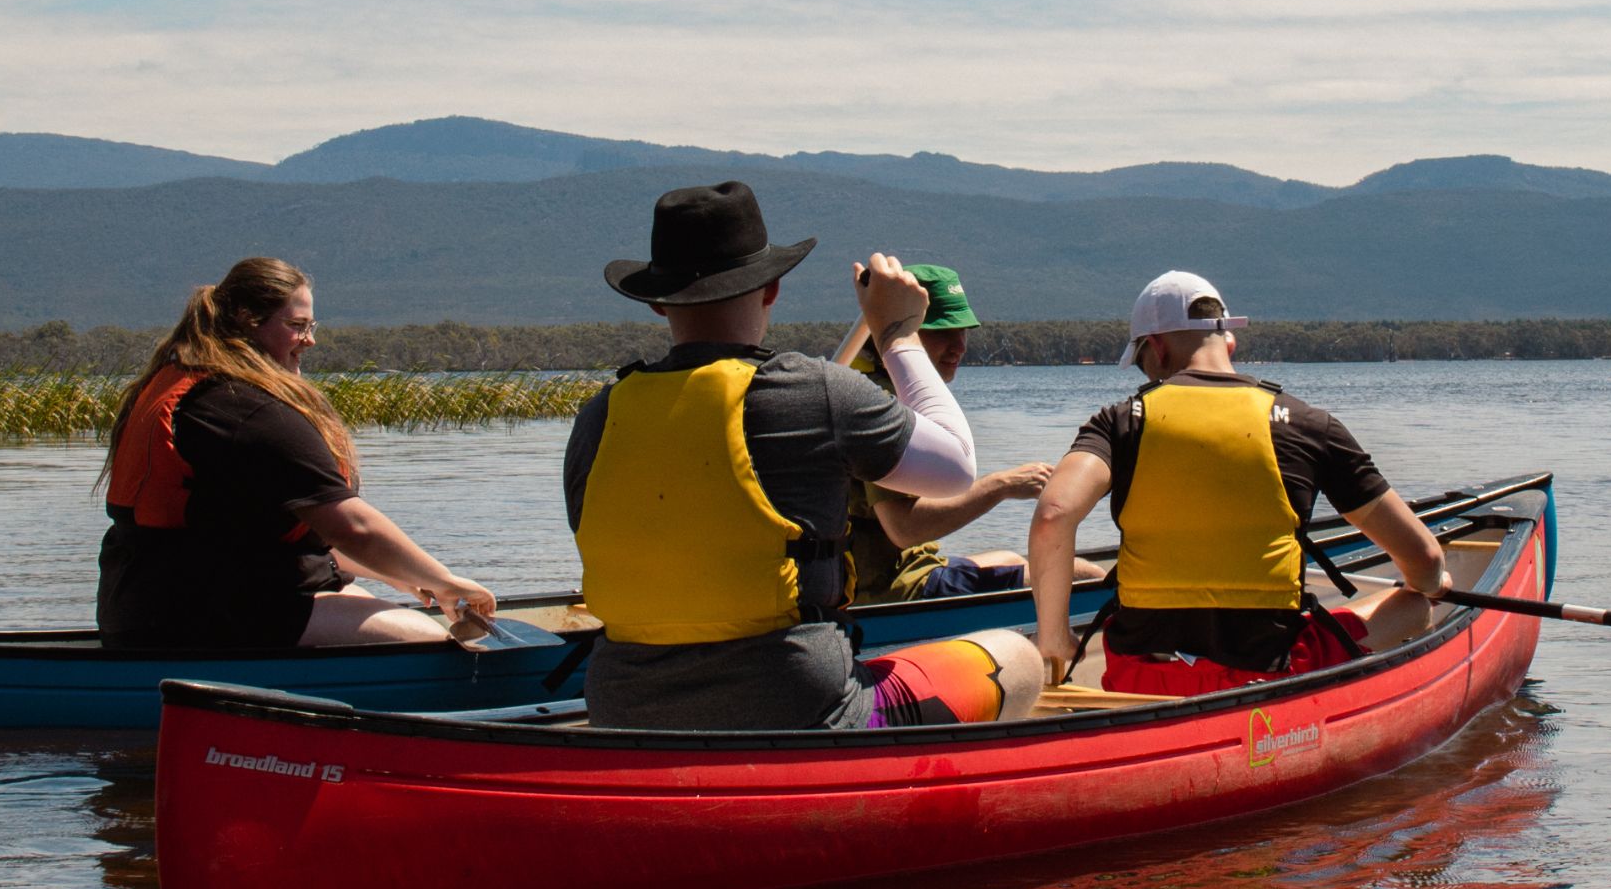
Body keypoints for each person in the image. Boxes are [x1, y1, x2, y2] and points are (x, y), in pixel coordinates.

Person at [564, 183, 1047, 731]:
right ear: (771, 290)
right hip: (796, 707)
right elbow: (956, 467)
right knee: (1016, 659)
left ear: (656, 301)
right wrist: (897, 334)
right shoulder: (813, 391)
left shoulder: (599, 415)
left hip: (622, 708)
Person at [1025, 270, 1448, 695]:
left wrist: (1055, 637)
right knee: (1414, 606)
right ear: (1230, 341)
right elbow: (1425, 558)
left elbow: (1053, 514)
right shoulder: (1309, 425)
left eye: (1140, 361)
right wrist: (1429, 585)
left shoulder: (1118, 422)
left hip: (1143, 677)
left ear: (1156, 347)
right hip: (1271, 676)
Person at [98, 257, 497, 650]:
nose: (309, 340)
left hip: (146, 612)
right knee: (424, 634)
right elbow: (351, 527)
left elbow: (281, 536)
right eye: (296, 326)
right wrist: (447, 581)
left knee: (387, 609)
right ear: (246, 320)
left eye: (311, 326)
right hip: (200, 617)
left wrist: (403, 574)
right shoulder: (243, 409)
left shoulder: (198, 390)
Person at [832, 262, 1105, 604]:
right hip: (891, 591)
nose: (959, 345)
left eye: (963, 331)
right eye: (942, 331)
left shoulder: (880, 387)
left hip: (908, 569)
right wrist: (1002, 486)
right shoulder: (878, 405)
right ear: (902, 330)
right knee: (1088, 578)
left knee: (1009, 558)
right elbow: (903, 529)